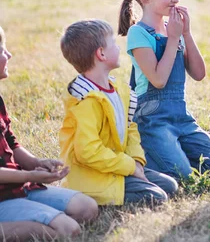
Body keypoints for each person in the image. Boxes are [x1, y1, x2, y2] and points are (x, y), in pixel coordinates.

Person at [118, 0, 210, 180]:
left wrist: (185, 34)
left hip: (181, 117)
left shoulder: (174, 31)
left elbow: (198, 74)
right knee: (183, 176)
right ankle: (142, 155)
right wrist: (174, 38)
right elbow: (158, 80)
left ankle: (168, 152)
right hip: (152, 119)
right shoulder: (138, 33)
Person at [59, 20, 178, 205]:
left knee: (170, 186)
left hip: (118, 167)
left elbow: (130, 129)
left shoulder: (118, 90)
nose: (118, 47)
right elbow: (88, 152)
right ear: (101, 53)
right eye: (113, 43)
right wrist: (130, 167)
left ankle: (133, 180)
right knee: (157, 197)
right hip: (95, 178)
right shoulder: (85, 101)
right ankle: (93, 196)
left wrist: (136, 161)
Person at [0, 25, 98, 240]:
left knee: (87, 208)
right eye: (1, 49)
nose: (9, 54)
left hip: (18, 186)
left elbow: (11, 143)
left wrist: (36, 163)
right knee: (66, 230)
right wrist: (29, 175)